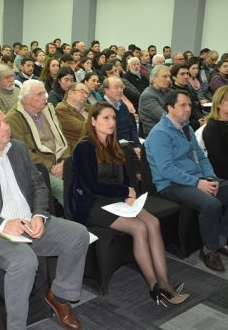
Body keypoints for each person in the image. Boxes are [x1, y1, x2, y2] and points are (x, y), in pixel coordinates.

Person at [0, 103, 88, 330]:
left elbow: (38, 186)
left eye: (5, 121)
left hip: (28, 221)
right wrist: (3, 224)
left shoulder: (18, 149)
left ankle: (59, 297)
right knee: (24, 261)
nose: (6, 127)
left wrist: (39, 215)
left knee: (78, 234)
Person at [69, 102, 189, 305]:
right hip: (91, 204)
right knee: (140, 228)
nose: (111, 122)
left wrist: (129, 195)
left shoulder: (115, 145)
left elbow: (123, 179)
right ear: (93, 121)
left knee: (153, 223)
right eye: (105, 118)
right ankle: (154, 287)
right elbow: (92, 186)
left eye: (113, 118)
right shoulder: (84, 147)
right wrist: (124, 191)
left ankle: (165, 282)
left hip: (115, 200)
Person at [145, 89, 228, 272]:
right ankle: (209, 250)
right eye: (183, 105)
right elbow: (166, 169)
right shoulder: (160, 133)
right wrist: (197, 183)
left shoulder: (186, 127)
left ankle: (221, 241)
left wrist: (210, 177)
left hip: (197, 178)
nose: (188, 109)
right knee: (211, 204)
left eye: (189, 105)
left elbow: (202, 158)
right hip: (171, 184)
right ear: (170, 107)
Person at [7, 79, 69, 205]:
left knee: (86, 178)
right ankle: (76, 222)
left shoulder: (48, 110)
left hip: (61, 162)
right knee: (66, 190)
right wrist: (51, 166)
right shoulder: (13, 118)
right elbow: (23, 152)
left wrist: (64, 162)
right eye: (39, 94)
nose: (45, 97)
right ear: (26, 99)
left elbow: (62, 139)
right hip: (40, 169)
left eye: (44, 93)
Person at [138, 65, 172, 137]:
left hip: (169, 131)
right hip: (156, 135)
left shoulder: (169, 91)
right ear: (153, 78)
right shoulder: (147, 96)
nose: (169, 79)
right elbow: (166, 118)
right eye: (165, 76)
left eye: (169, 76)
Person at [56, 83, 89, 151]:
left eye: (87, 94)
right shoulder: (62, 109)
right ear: (70, 93)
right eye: (82, 92)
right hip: (79, 148)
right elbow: (81, 129)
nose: (86, 96)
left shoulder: (88, 108)